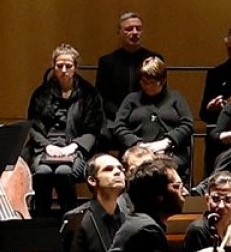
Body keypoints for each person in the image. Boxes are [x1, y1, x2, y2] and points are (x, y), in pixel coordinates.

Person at [27, 153, 129, 252]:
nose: (118, 171)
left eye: (120, 168)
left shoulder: (130, 215)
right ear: (92, 180)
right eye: (108, 169)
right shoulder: (77, 219)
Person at [25, 44, 104, 217]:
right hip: (45, 148)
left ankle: (69, 222)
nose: (63, 70)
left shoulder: (89, 93)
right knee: (42, 172)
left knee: (64, 172)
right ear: (53, 67)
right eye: (59, 66)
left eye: (68, 66)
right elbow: (33, 127)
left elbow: (94, 129)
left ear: (75, 67)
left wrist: (73, 147)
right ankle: (41, 223)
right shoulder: (41, 93)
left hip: (75, 149)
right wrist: (47, 146)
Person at [112, 56, 195, 175]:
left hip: (170, 152)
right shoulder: (131, 99)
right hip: (137, 152)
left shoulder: (176, 98)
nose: (147, 86)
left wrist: (167, 142)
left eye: (152, 82)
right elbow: (118, 126)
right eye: (144, 82)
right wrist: (138, 144)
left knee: (161, 169)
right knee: (138, 166)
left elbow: (187, 124)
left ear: (163, 80)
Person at [93, 12, 159, 123]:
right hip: (115, 119)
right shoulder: (107, 62)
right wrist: (121, 115)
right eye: (129, 29)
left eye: (138, 29)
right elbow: (102, 98)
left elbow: (160, 94)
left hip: (147, 118)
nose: (134, 32)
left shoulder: (155, 59)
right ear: (119, 32)